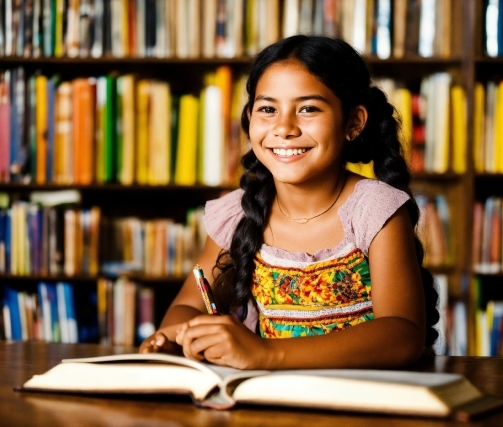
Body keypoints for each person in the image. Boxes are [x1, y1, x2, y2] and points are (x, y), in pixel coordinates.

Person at [139, 35, 439, 370]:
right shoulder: (240, 213)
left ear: (353, 123)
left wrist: (266, 354)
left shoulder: (373, 209)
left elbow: (401, 335)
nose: (284, 128)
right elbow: (186, 307)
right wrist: (179, 335)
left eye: (308, 109)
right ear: (250, 117)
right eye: (268, 109)